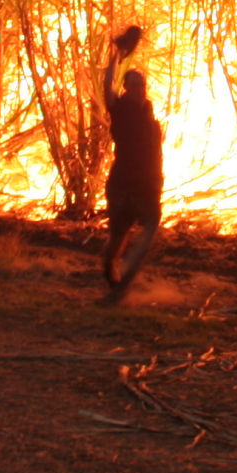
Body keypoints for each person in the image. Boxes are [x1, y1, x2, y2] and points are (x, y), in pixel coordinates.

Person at [99, 25, 164, 302]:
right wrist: (118, 54)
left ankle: (123, 284)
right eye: (135, 86)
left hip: (146, 185)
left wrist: (158, 180)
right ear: (126, 88)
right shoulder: (121, 109)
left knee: (149, 232)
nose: (140, 90)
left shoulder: (148, 112)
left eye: (143, 86)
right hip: (124, 183)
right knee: (118, 236)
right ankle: (112, 274)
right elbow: (107, 85)